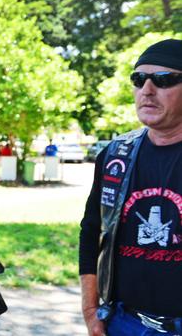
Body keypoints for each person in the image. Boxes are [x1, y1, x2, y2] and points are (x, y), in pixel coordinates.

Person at [79, 38, 182, 336]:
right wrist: (90, 309)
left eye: (163, 80)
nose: (147, 90)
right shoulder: (116, 155)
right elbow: (91, 231)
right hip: (125, 323)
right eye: (139, 79)